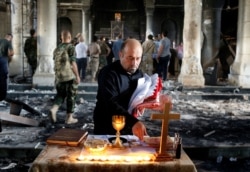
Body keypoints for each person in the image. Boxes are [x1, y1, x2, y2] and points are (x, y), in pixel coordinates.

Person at [93, 38, 148, 141]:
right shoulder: (108, 73)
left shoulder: (139, 74)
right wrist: (133, 122)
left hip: (128, 127)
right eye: (130, 58)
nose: (134, 63)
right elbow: (110, 103)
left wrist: (148, 102)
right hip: (106, 126)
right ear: (120, 55)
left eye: (138, 58)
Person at [49, 30, 80, 124]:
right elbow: (73, 62)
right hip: (69, 76)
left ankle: (54, 109)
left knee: (60, 95)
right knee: (71, 96)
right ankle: (69, 118)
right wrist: (77, 75)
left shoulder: (57, 48)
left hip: (59, 77)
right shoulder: (71, 47)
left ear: (61, 38)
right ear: (69, 37)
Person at [0, 33, 14, 101]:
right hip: (3, 59)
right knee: (4, 76)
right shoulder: (8, 42)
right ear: (10, 38)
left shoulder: (0, 40)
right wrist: (8, 55)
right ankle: (2, 95)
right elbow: (11, 53)